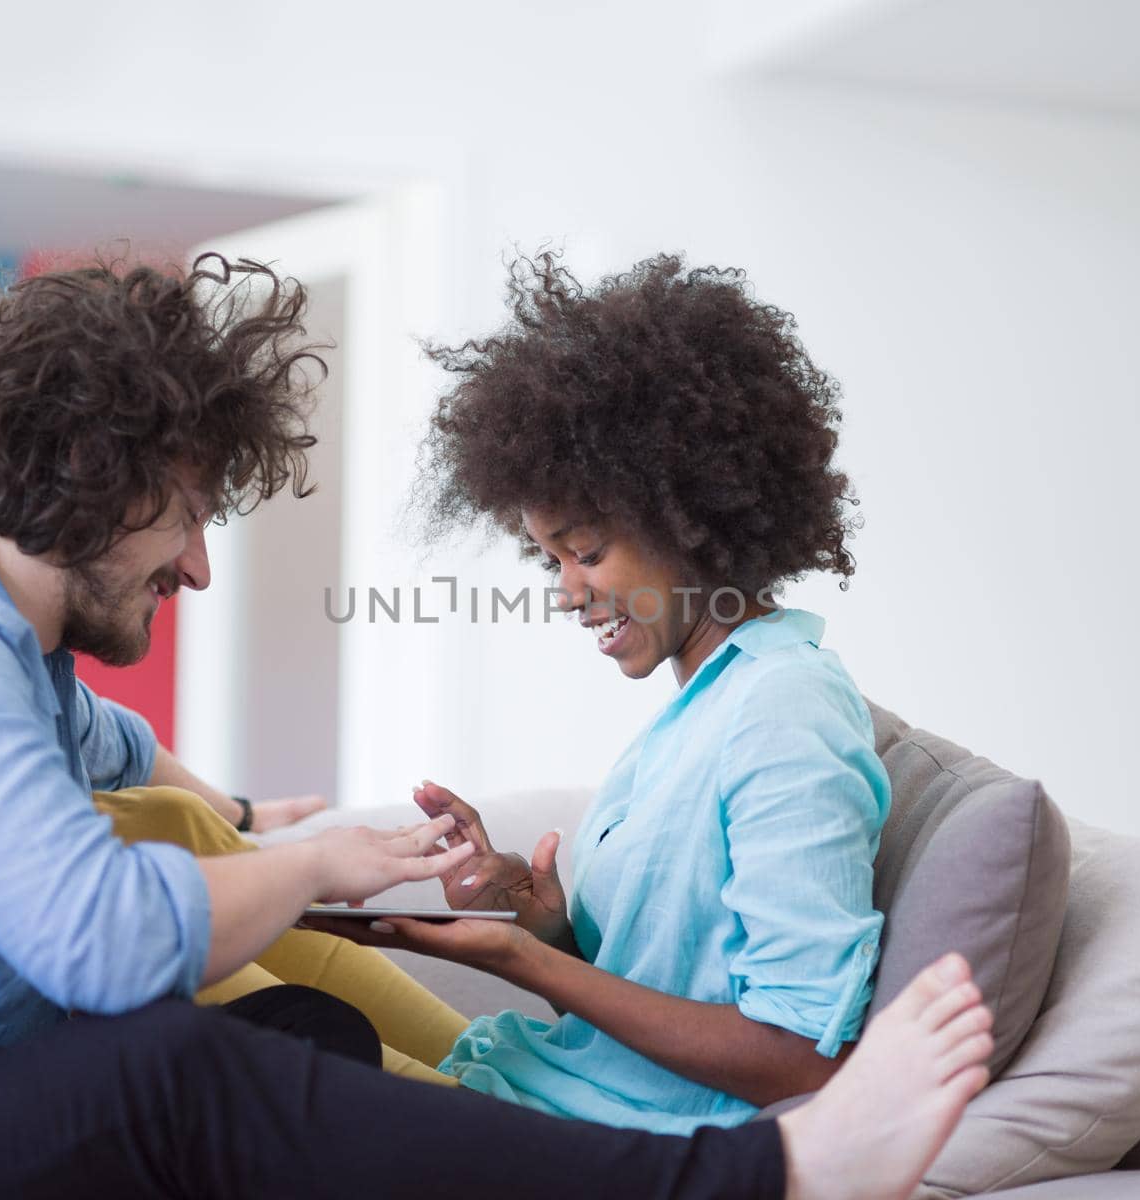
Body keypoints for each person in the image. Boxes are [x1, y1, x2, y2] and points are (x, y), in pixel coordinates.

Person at [0, 252, 992, 1200]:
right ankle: (765, 1183)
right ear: (96, 475)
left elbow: (106, 747)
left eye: (584, 548)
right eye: (187, 513)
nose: (195, 565)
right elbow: (98, 940)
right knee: (169, 1065)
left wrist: (256, 823)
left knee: (291, 1022)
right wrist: (307, 866)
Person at [305, 252, 915, 1134]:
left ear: (692, 521)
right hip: (567, 1091)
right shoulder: (708, 702)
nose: (562, 591)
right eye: (549, 559)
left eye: (586, 553)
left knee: (249, 1044)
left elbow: (801, 1062)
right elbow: (665, 988)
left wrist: (528, 962)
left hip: (633, 1143)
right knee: (277, 971)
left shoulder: (785, 710)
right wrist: (544, 922)